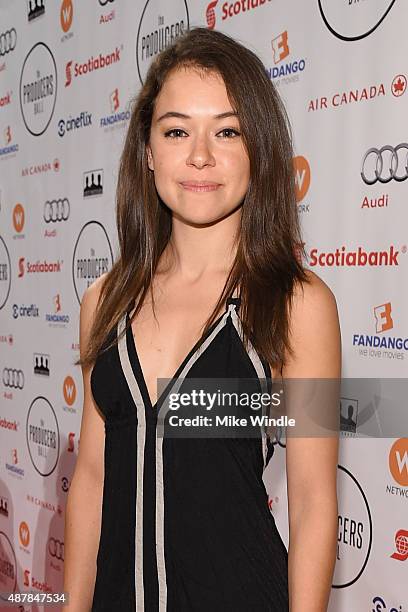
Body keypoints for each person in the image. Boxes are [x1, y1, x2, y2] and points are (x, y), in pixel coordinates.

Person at [64, 26, 341, 611]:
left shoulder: (296, 305)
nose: (200, 156)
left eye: (227, 131)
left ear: (257, 148)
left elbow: (314, 502)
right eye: (177, 131)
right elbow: (90, 478)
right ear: (147, 149)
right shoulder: (104, 302)